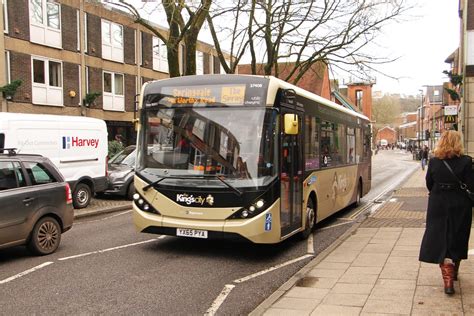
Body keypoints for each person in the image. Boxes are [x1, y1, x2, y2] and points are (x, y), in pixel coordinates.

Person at [419, 130, 474, 295]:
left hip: (438, 204)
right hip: (460, 204)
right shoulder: (466, 162)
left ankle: (448, 279)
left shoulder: (434, 162)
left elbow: (429, 183)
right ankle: (452, 272)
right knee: (457, 235)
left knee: (441, 238)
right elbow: (471, 185)